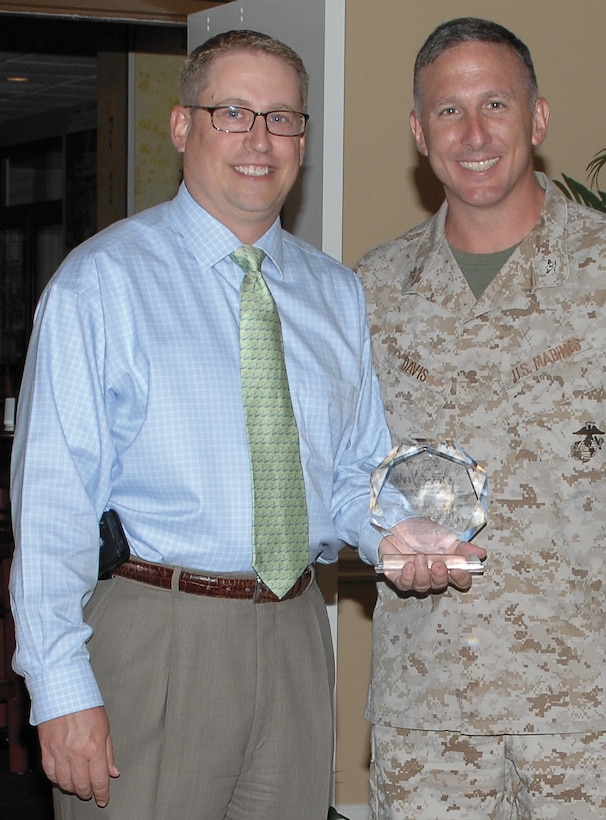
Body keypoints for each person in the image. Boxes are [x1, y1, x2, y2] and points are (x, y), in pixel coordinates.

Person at [8, 29, 445, 820]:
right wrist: (59, 687)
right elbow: (51, 508)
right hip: (155, 635)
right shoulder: (100, 284)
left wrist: (393, 536)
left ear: (303, 141)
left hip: (295, 637)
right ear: (183, 127)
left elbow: (353, 470)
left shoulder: (334, 293)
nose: (259, 139)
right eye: (233, 111)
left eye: (282, 119)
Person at [355, 17, 606, 819]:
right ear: (417, 132)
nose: (474, 134)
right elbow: (336, 471)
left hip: (603, 718)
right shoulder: (372, 294)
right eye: (448, 110)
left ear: (537, 119)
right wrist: (372, 540)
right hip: (430, 717)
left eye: (496, 105)